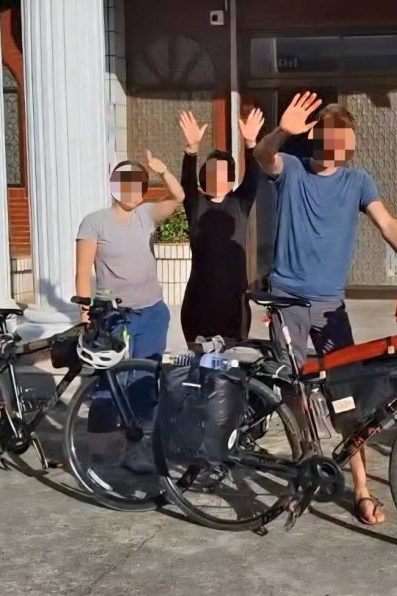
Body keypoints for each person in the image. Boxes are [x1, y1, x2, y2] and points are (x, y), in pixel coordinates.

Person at [254, 91, 397, 525]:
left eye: (343, 139)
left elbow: (388, 225)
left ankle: (362, 488)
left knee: (348, 396)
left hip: (330, 304)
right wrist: (281, 132)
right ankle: (305, 469)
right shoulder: (291, 168)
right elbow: (262, 155)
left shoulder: (358, 181)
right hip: (287, 300)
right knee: (293, 392)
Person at [75, 157, 185, 472]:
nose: (132, 191)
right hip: (113, 315)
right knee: (110, 383)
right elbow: (83, 272)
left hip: (151, 312)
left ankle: (139, 450)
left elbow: (178, 196)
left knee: (145, 382)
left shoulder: (146, 215)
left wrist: (162, 171)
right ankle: (101, 453)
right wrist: (85, 315)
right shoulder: (94, 222)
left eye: (138, 184)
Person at [174, 108, 265, 345]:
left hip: (235, 306)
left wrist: (250, 144)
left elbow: (253, 178)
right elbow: (187, 183)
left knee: (233, 361)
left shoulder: (240, 203)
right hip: (198, 303)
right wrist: (192, 149)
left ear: (232, 178)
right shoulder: (196, 204)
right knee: (198, 362)